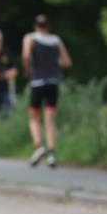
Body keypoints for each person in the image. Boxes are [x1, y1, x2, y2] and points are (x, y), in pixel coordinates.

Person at [22, 14, 72, 168]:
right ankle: (51, 153)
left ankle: (39, 146)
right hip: (53, 82)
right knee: (50, 118)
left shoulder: (30, 38)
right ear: (48, 26)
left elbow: (26, 55)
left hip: (37, 81)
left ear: (34, 26)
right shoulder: (56, 40)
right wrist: (54, 65)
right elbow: (67, 62)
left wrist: (28, 69)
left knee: (33, 116)